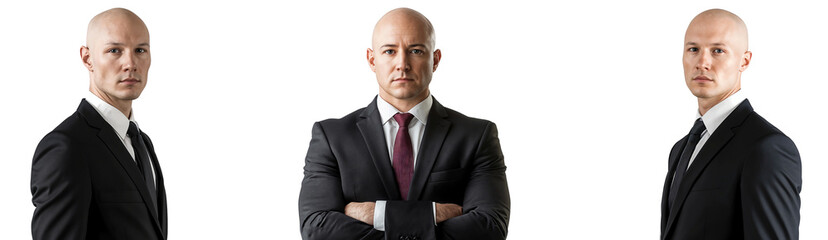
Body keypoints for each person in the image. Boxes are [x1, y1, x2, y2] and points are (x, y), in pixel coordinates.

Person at [298, 8, 510, 240]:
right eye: (389, 51)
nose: (402, 64)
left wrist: (374, 213)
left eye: (416, 51)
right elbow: (316, 228)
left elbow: (490, 228)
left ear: (435, 59)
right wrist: (435, 213)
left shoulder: (476, 136)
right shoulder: (331, 137)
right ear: (372, 59)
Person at [660, 8, 801, 240]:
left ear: (744, 61)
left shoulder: (766, 148)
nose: (702, 62)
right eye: (693, 49)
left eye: (718, 50)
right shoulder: (681, 148)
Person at [30, 8, 167, 240]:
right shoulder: (67, 147)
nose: (130, 63)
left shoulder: (142, 141)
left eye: (140, 50)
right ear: (87, 58)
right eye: (115, 50)